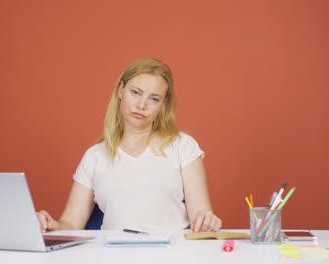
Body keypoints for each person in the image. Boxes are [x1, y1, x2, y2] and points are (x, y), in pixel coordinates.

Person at [37, 58, 222, 233]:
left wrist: (207, 222)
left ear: (162, 105)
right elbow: (70, 223)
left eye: (154, 99)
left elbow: (201, 214)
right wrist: (50, 226)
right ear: (120, 90)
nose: (142, 105)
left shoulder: (183, 146)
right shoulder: (95, 156)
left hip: (172, 255)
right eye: (135, 93)